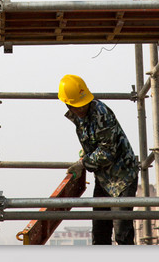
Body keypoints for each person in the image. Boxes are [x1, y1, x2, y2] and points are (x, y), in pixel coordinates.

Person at [59, 74, 140, 246]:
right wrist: (86, 153)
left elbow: (108, 151)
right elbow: (96, 141)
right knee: (100, 235)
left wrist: (84, 163)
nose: (81, 109)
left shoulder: (101, 114)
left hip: (122, 177)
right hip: (103, 179)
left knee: (122, 234)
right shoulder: (80, 117)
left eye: (82, 105)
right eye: (76, 106)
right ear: (68, 104)